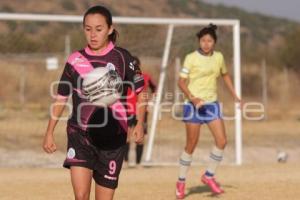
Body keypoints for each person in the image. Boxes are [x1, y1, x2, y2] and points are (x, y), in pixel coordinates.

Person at [42, 5, 146, 200]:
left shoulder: (123, 58)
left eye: (98, 29)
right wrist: (49, 132)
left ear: (110, 29)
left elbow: (142, 91)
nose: (93, 34)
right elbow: (61, 97)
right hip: (80, 134)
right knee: (81, 196)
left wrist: (140, 123)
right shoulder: (75, 60)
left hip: (113, 137)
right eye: (88, 29)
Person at [175, 24, 242, 199]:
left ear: (214, 42)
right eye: (203, 40)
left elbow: (225, 74)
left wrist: (235, 94)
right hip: (193, 106)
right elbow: (181, 82)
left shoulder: (219, 57)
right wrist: (193, 97)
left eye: (209, 41)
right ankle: (181, 182)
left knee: (222, 141)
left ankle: (208, 175)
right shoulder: (191, 58)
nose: (206, 44)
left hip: (211, 105)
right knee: (191, 145)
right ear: (199, 41)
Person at [124, 56, 156, 167]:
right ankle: (126, 162)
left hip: (141, 112)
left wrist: (151, 101)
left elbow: (154, 88)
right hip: (127, 110)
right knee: (126, 136)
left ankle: (138, 163)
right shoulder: (124, 77)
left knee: (140, 137)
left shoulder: (145, 77)